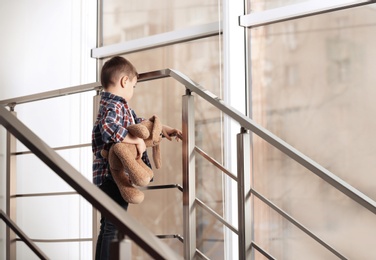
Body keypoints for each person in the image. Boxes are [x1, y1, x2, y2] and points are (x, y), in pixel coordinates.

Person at [92, 56, 182, 260]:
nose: (132, 90)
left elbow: (137, 123)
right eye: (133, 85)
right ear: (124, 82)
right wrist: (136, 141)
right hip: (111, 175)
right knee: (113, 225)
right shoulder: (112, 105)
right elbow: (108, 128)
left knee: (109, 224)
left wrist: (163, 129)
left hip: (109, 176)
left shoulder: (120, 106)